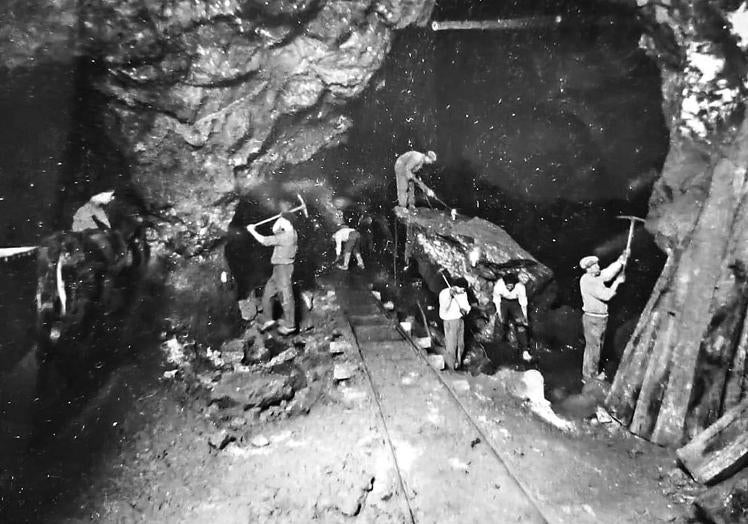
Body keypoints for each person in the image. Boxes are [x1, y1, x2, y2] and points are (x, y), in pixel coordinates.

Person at [579, 252, 628, 381]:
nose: (598, 267)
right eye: (594, 266)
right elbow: (606, 295)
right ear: (588, 269)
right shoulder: (588, 281)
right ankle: (590, 377)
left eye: (597, 265)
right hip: (593, 320)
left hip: (599, 319)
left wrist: (620, 261)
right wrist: (617, 282)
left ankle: (589, 374)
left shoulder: (594, 277)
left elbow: (607, 273)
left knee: (595, 347)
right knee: (594, 349)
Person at [247, 213, 298, 335]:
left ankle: (290, 325)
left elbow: (265, 241)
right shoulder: (288, 232)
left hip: (284, 269)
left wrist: (252, 231)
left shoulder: (288, 236)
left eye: (282, 221)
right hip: (278, 268)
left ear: (287, 223)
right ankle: (268, 319)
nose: (280, 223)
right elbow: (275, 230)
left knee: (286, 296)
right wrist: (280, 219)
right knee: (268, 293)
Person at [493, 273, 531, 361]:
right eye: (507, 286)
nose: (509, 288)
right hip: (503, 301)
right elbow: (496, 299)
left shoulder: (520, 287)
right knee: (500, 323)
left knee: (521, 324)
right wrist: (499, 313)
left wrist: (524, 317)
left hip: (515, 302)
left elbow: (523, 303)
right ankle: (497, 348)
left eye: (511, 286)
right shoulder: (499, 285)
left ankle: (525, 350)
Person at [438, 279, 471, 370]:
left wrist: (466, 310)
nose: (463, 291)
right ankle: (451, 366)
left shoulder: (463, 293)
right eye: (462, 289)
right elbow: (444, 307)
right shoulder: (444, 293)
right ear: (456, 287)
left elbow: (466, 306)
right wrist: (450, 296)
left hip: (460, 320)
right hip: (450, 321)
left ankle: (458, 365)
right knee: (451, 345)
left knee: (461, 344)